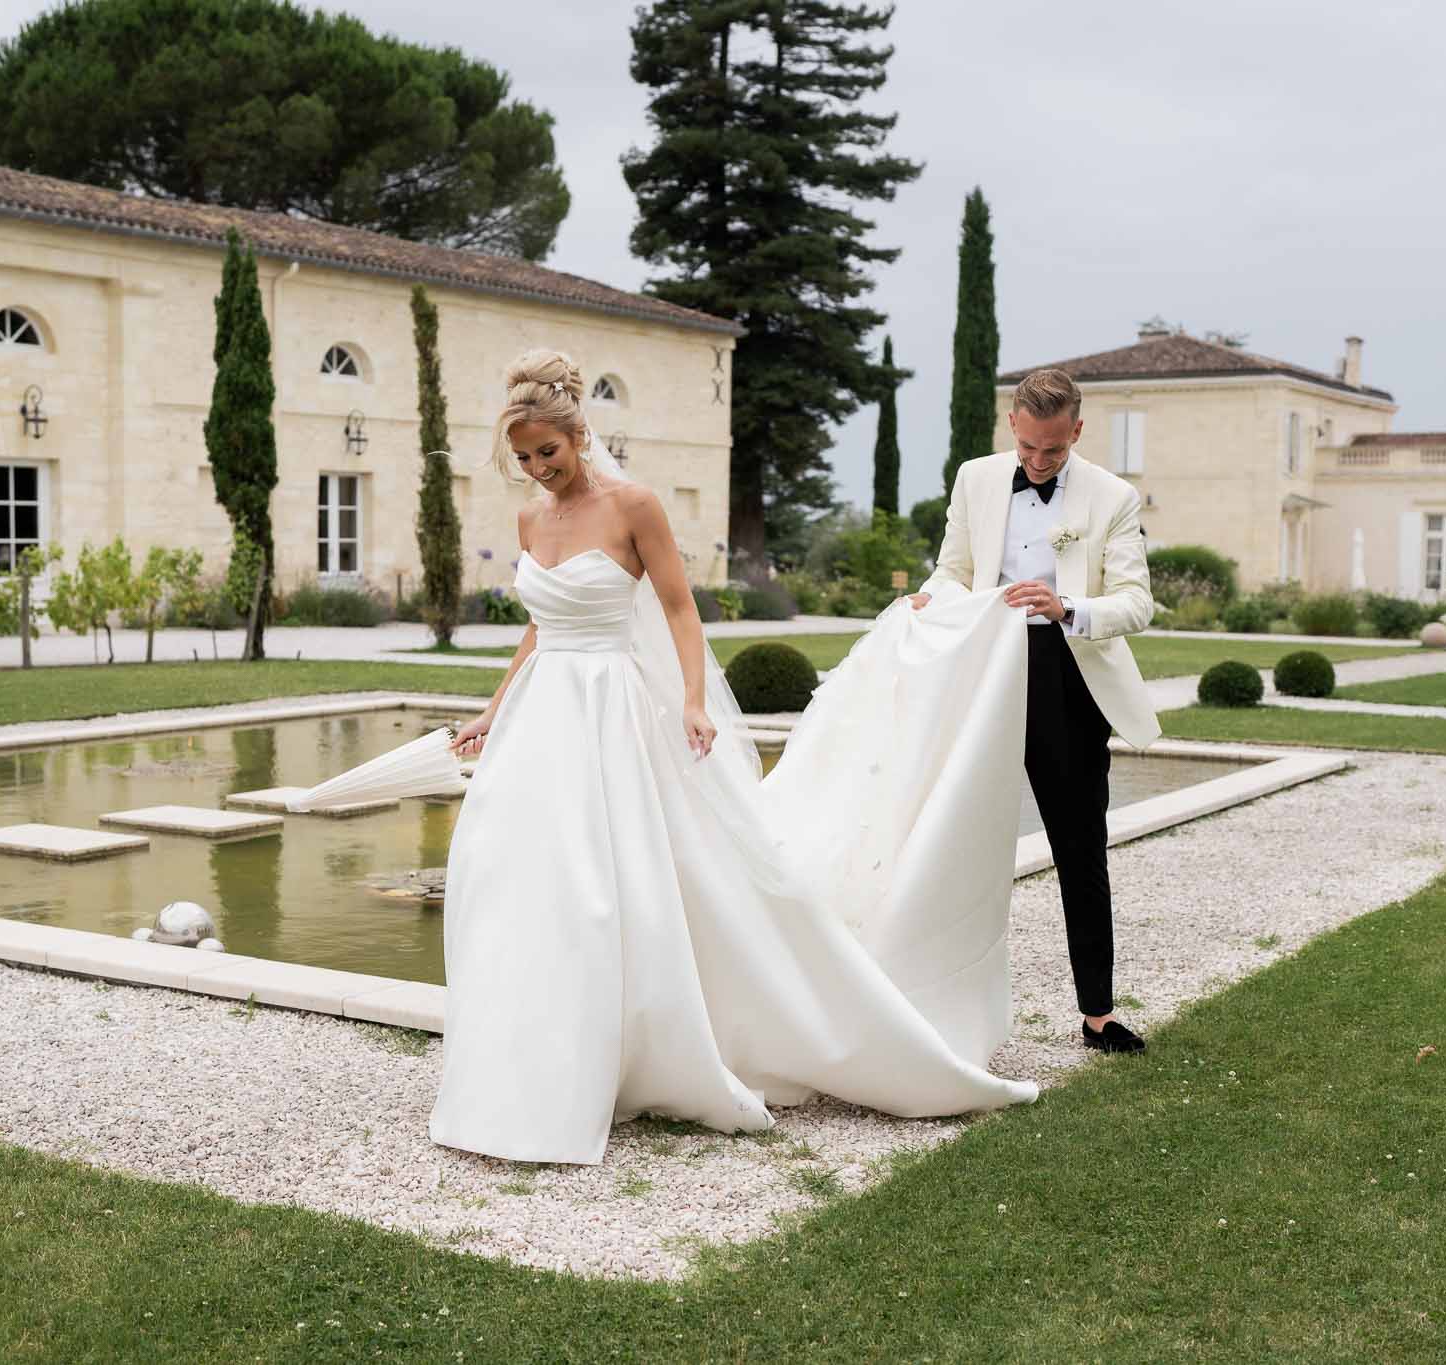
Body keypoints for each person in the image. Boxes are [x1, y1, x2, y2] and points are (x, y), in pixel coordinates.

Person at [429, 349, 1037, 1166]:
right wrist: (492, 710)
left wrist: (690, 699)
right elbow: (538, 628)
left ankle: (639, 1048)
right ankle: (529, 1062)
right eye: (526, 458)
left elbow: (679, 609)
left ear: (578, 435)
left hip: (611, 710)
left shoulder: (635, 505)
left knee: (609, 881)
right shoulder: (529, 522)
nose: (540, 470)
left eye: (550, 451)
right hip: (543, 714)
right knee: (509, 872)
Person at [909, 368, 1161, 1053]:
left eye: (1051, 451)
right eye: (1026, 448)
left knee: (1079, 848)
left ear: (1076, 432)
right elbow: (954, 567)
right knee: (954, 839)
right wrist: (934, 596)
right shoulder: (976, 477)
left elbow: (1136, 601)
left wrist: (1068, 607)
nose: (1037, 461)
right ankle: (934, 1006)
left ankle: (1098, 1015)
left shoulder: (1112, 496)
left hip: (1067, 679)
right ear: (1012, 426)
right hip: (983, 670)